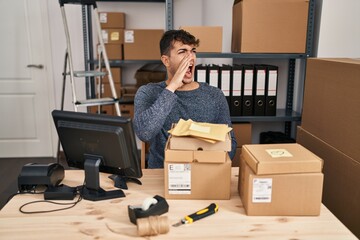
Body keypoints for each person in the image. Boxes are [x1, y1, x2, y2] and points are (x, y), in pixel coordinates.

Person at [133, 29, 237, 168]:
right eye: (182, 52)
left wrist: (207, 167)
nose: (191, 57)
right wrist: (172, 87)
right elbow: (145, 133)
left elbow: (231, 142)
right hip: (162, 174)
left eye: (193, 51)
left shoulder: (214, 95)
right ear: (166, 60)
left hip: (205, 173)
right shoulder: (148, 92)